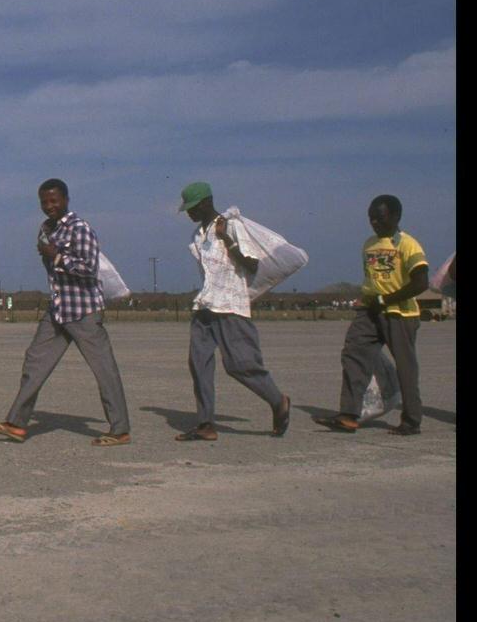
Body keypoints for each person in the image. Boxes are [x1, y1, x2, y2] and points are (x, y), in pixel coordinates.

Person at [0, 179, 132, 447]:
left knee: (104, 370)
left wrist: (57, 257)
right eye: (44, 202)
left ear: (66, 199)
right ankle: (16, 423)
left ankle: (120, 429)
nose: (49, 206)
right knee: (35, 360)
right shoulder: (45, 228)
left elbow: (89, 267)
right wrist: (49, 256)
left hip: (84, 310)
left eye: (54, 201)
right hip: (59, 309)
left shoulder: (80, 228)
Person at [174, 182, 292, 442]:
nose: (189, 214)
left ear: (206, 203)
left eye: (192, 208)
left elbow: (252, 266)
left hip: (230, 305)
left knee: (240, 365)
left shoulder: (232, 226)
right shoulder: (197, 234)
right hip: (206, 305)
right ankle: (206, 424)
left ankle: (278, 401)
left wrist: (226, 239)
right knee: (199, 363)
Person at [313, 195, 429, 437]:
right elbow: (372, 279)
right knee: (354, 352)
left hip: (400, 314)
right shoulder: (369, 245)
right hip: (370, 311)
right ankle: (349, 415)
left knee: (405, 367)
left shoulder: (408, 245)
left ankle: (411, 420)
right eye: (371, 218)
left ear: (396, 217)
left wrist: (386, 300)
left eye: (380, 218)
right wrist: (366, 299)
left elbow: (421, 283)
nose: (374, 222)